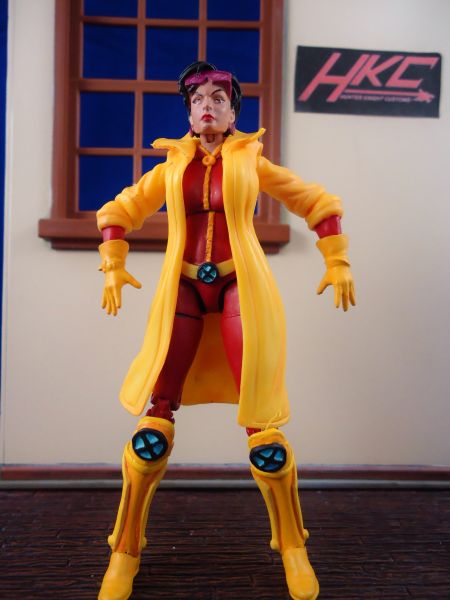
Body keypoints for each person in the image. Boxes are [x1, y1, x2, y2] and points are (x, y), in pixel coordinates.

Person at [96, 61, 355, 600]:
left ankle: (293, 547)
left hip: (241, 286)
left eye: (218, 98)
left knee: (263, 427)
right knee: (153, 425)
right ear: (189, 113)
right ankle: (125, 551)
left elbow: (314, 201)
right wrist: (113, 262)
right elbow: (121, 209)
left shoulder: (250, 158)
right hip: (185, 289)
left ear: (234, 112)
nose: (208, 106)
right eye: (198, 99)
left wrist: (337, 260)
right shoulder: (171, 167)